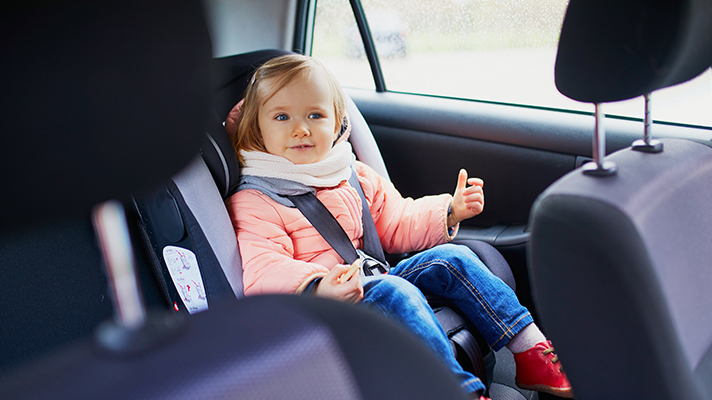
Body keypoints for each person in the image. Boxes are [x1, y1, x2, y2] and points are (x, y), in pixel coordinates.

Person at [225, 54, 573, 400]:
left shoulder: (350, 173)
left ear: (336, 123)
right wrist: (317, 286)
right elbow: (262, 268)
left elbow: (396, 220)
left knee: (453, 257)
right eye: (282, 117)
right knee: (395, 290)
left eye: (315, 115)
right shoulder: (257, 198)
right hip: (322, 312)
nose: (300, 128)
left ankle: (532, 352)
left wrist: (448, 211)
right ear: (257, 128)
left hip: (372, 280)